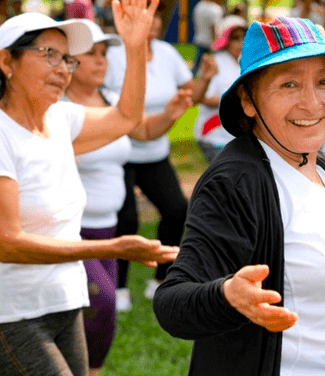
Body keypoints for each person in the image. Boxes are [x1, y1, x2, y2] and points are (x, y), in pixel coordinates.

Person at [153, 16, 325, 376]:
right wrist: (226, 296)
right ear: (248, 101)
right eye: (289, 84)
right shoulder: (237, 182)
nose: (311, 101)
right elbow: (172, 302)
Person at [0, 3, 179, 375]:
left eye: (67, 59)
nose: (63, 69)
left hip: (64, 300)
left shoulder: (60, 119)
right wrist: (112, 249)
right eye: (49, 54)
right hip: (13, 312)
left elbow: (127, 118)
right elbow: (7, 241)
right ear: (7, 62)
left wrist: (135, 45)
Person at [62, 19, 192, 375]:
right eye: (91, 54)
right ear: (68, 63)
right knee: (101, 306)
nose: (101, 61)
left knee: (98, 324)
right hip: (74, 231)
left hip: (109, 231)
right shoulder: (58, 109)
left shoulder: (108, 101)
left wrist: (170, 113)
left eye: (104, 53)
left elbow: (144, 130)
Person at [104, 5, 214, 306]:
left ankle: (161, 278)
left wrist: (204, 77)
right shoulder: (112, 55)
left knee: (177, 210)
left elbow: (190, 93)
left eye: (155, 15)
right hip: (121, 153)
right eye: (145, 13)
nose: (151, 21)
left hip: (156, 151)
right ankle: (118, 287)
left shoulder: (167, 53)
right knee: (126, 220)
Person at [193, 15, 246, 162]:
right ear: (226, 39)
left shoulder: (244, 63)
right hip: (214, 134)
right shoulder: (215, 62)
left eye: (244, 37)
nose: (241, 43)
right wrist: (237, 101)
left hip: (237, 136)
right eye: (236, 38)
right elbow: (202, 98)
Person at [191, 0, 223, 75]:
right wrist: (215, 42)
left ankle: (191, 78)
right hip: (211, 42)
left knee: (197, 66)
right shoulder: (215, 9)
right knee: (217, 65)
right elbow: (214, 28)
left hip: (200, 39)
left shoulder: (198, 6)